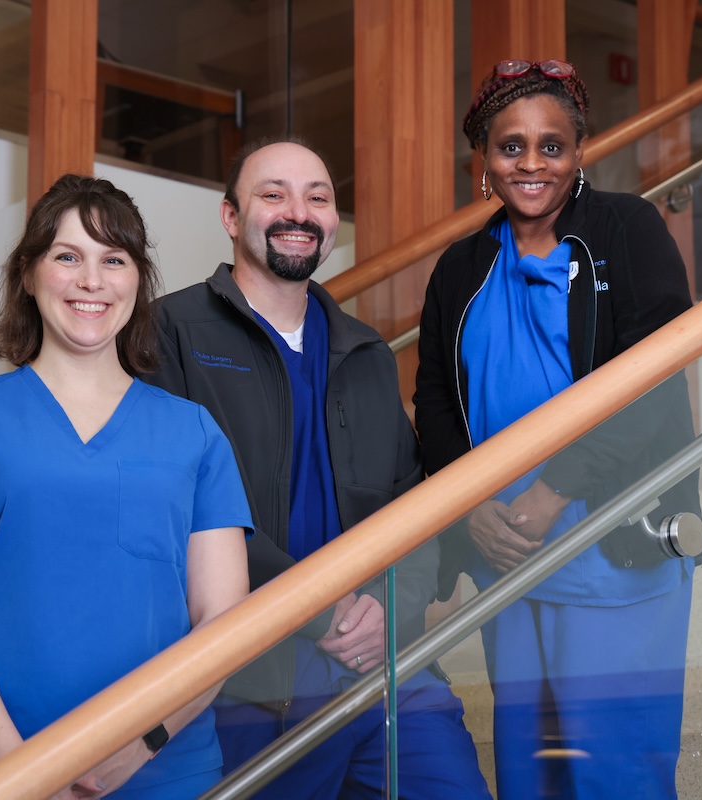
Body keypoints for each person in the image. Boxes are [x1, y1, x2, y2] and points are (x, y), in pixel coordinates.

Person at [145, 139, 492, 799]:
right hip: (255, 676)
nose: (297, 212)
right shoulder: (172, 332)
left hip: (386, 666)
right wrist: (319, 610)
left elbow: (411, 505)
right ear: (229, 216)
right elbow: (175, 506)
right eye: (272, 194)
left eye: (319, 196)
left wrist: (396, 607)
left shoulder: (365, 351)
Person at [0, 175, 252, 800]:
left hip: (162, 772)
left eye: (114, 260)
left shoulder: (194, 432)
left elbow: (223, 623)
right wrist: (25, 771)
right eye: (68, 257)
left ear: (137, 281)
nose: (93, 280)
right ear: (29, 276)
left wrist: (141, 745)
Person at [413, 60, 702, 799]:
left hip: (611, 548)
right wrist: (469, 508)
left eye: (553, 145)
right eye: (511, 146)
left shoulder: (627, 229)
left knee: (616, 775)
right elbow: (437, 403)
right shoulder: (459, 268)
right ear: (483, 160)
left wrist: (551, 491)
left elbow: (655, 376)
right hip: (504, 559)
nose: (532, 163)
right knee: (530, 777)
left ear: (580, 152)